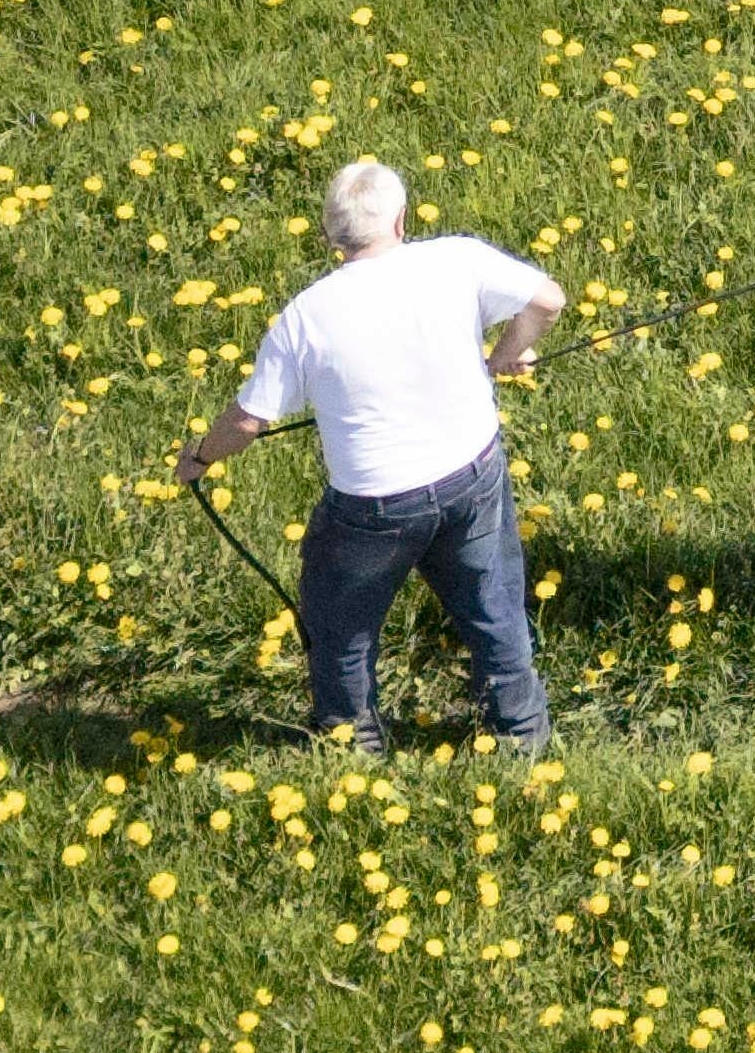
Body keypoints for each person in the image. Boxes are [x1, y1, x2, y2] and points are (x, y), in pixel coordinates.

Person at [175, 158, 566, 753]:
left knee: (341, 628)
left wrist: (199, 456)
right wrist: (504, 355)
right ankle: (523, 738)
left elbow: (250, 420)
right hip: (474, 474)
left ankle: (353, 749)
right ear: (402, 220)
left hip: (373, 507)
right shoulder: (455, 259)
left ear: (331, 237)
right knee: (494, 609)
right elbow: (548, 300)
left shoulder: (306, 315)